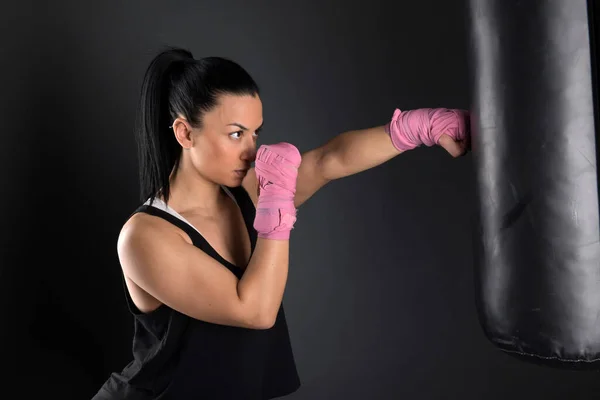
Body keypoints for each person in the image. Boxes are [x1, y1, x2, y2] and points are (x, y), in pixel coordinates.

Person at [92, 46, 470, 400]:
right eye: (236, 133)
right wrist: (275, 202)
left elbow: (328, 161)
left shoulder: (245, 193)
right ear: (185, 133)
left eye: (255, 133)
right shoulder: (145, 236)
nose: (252, 150)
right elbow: (255, 310)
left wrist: (420, 128)